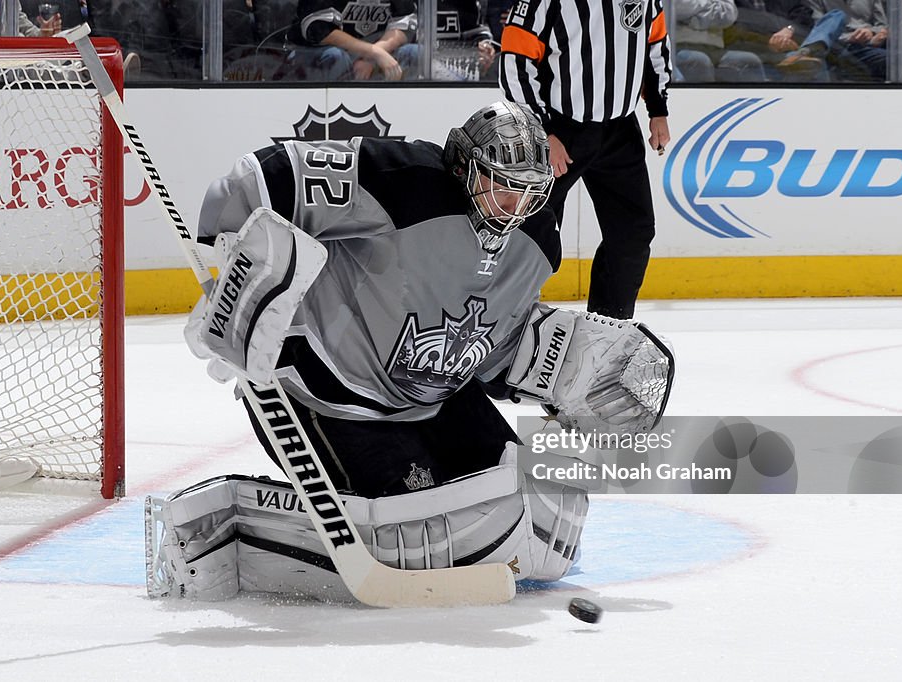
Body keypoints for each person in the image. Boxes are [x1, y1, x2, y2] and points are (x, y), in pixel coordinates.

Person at [146, 101, 673, 602]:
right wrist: (240, 278)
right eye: (501, 187)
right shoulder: (403, 181)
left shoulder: (536, 239)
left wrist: (554, 367)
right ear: (465, 168)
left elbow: (489, 346)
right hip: (330, 389)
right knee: (416, 535)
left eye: (527, 193)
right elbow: (257, 180)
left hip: (436, 395)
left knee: (534, 502)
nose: (513, 208)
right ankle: (227, 525)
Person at [499, 0, 672, 320]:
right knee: (533, 233)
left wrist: (657, 108)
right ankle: (510, 326)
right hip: (560, 130)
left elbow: (654, 42)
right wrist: (542, 132)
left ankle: (609, 326)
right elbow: (515, 60)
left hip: (621, 129)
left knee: (633, 233)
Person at [777, 0, 902, 82]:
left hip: (873, 44)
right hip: (844, 47)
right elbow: (819, 28)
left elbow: (882, 23)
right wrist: (850, 38)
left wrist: (874, 33)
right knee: (837, 15)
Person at [287, 0, 418, 80]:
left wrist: (372, 59)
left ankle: (401, 114)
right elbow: (319, 30)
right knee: (335, 57)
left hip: (374, 55)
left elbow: (406, 26)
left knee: (415, 52)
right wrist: (373, 53)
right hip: (316, 53)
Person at [673, 0, 766, 82]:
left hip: (716, 48)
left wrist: (693, 19)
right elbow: (677, 6)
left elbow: (730, 14)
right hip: (679, 46)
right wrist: (712, 5)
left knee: (749, 61)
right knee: (699, 60)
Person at [434, 0, 497, 81]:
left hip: (459, 71)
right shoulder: (416, 4)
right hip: (418, 72)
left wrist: (483, 47)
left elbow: (478, 30)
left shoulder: (467, 4)